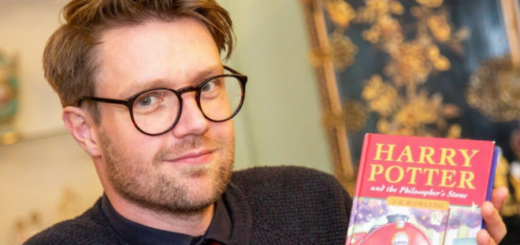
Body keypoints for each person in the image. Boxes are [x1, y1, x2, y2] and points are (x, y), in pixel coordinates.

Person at [25, 0, 507, 244]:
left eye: (208, 85)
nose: (195, 121)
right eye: (150, 99)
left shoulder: (314, 204)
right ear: (85, 129)